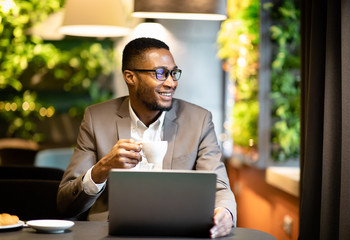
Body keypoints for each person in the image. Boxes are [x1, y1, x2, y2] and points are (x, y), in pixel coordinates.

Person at [57, 37, 237, 238]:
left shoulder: (199, 120)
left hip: (176, 232)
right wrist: (102, 169)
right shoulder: (96, 118)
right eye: (160, 73)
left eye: (174, 73)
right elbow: (66, 203)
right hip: (109, 233)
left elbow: (219, 187)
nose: (171, 83)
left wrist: (225, 213)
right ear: (130, 77)